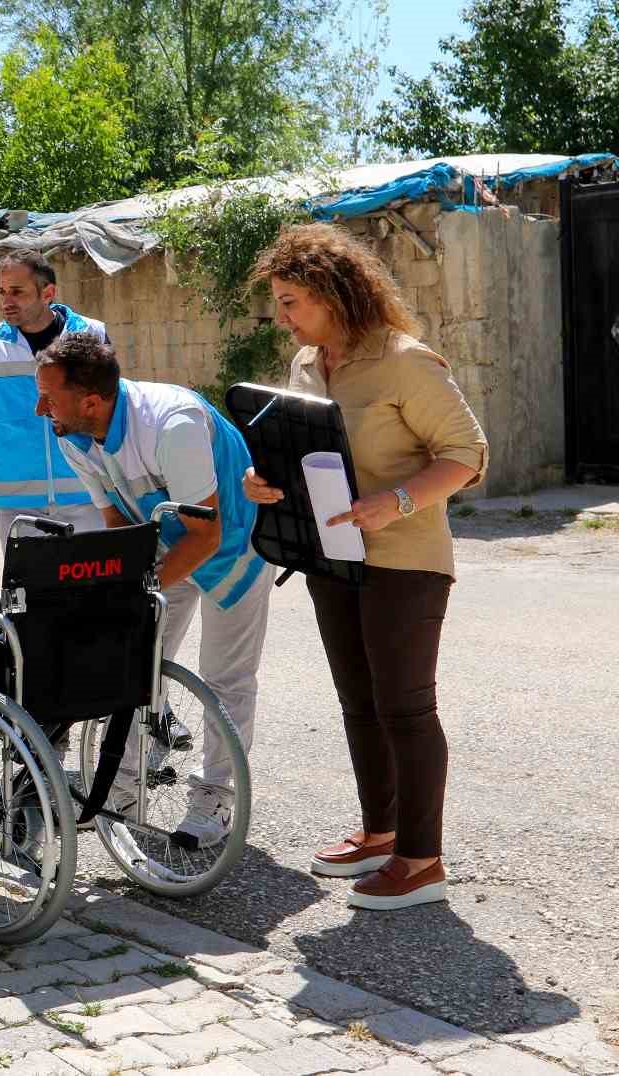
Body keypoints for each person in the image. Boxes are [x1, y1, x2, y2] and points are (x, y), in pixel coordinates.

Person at [244, 223, 487, 911]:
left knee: (405, 707)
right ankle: (380, 834)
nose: (282, 316)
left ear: (333, 293)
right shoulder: (305, 366)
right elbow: (306, 453)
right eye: (280, 302)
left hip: (406, 560)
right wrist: (268, 484)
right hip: (332, 556)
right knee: (359, 703)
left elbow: (467, 454)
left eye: (291, 301)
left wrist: (398, 500)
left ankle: (421, 860)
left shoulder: (408, 362)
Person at [34, 333, 275, 847]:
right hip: (167, 536)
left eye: (48, 396)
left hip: (233, 543)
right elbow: (118, 520)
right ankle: (123, 780)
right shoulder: (70, 431)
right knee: (135, 658)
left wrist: (137, 586)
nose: (39, 408)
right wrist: (119, 591)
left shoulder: (172, 424)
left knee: (225, 678)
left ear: (91, 401)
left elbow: (206, 535)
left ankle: (214, 798)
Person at [0, 251, 107, 544]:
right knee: (30, 591)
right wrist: (20, 452)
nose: (7, 301)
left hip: (88, 497)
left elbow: (109, 413)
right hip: (18, 507)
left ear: (47, 293)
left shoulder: (91, 335)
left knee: (92, 589)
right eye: (2, 292)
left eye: (17, 291)